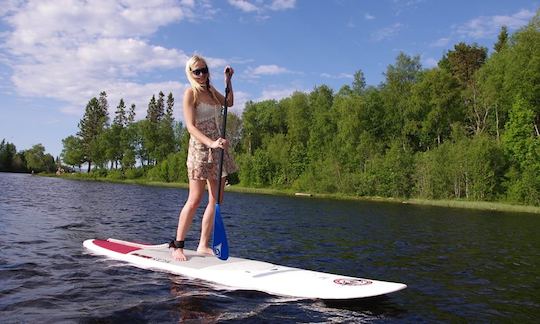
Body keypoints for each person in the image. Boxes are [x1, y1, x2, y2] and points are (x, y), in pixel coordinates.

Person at [170, 55, 238, 261]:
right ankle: (178, 245)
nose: (201, 74)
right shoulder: (191, 93)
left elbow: (228, 102)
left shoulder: (210, 90)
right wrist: (210, 143)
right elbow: (191, 126)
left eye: (204, 70)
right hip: (201, 149)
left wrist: (228, 81)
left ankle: (203, 244)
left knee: (216, 199)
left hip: (218, 148)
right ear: (190, 74)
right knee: (195, 199)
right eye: (196, 71)